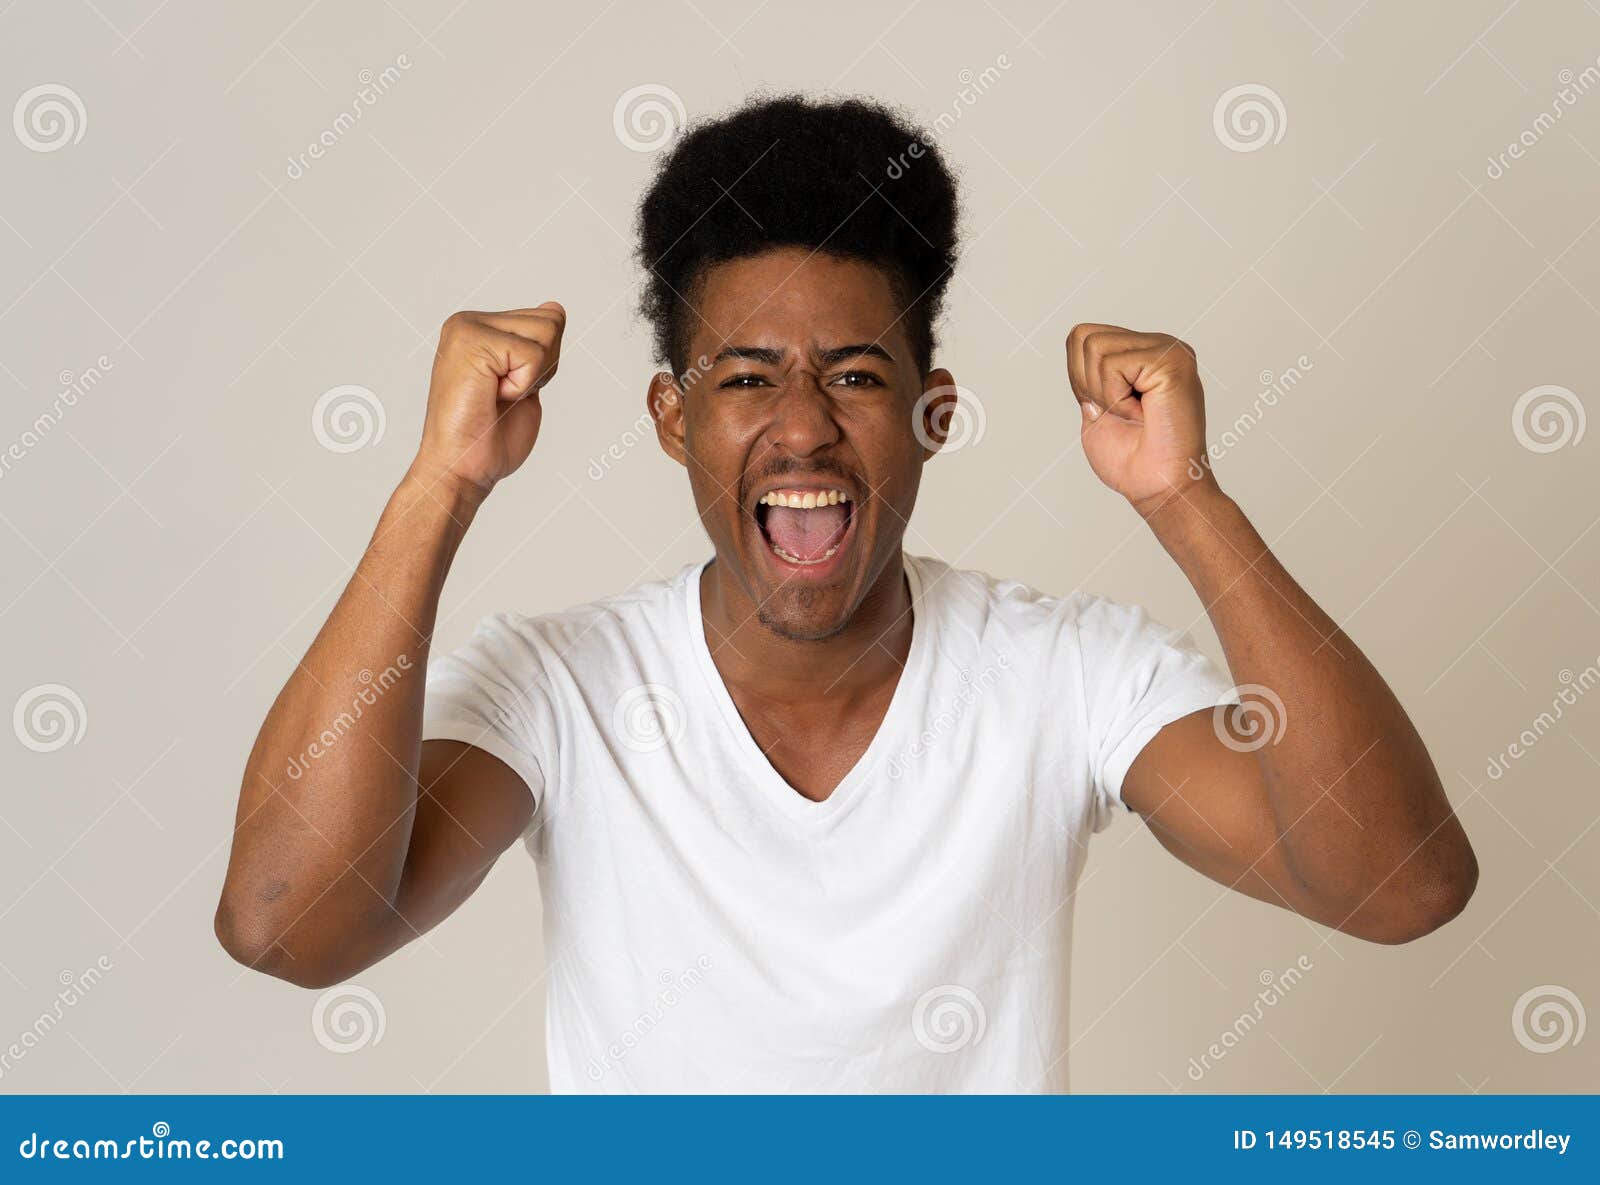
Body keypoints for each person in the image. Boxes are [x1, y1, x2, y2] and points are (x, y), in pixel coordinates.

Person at [215, 95, 1477, 1092]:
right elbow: (288, 930)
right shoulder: (560, 689)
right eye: (748, 378)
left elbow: (1399, 885)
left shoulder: (1060, 673)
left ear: (935, 415)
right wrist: (441, 482)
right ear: (673, 419)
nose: (805, 431)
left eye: (859, 378)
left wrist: (1181, 496)